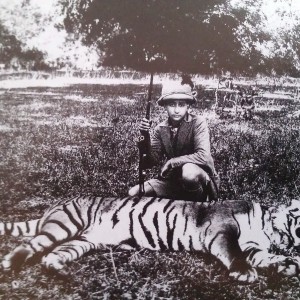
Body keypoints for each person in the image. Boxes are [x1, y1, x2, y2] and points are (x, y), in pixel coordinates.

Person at [128, 79, 219, 202]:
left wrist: (172, 162)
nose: (176, 110)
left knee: (188, 171)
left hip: (199, 181)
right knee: (133, 193)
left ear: (188, 105)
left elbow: (203, 156)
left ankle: (202, 202)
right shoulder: (160, 129)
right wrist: (145, 138)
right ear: (165, 105)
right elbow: (152, 161)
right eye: (172, 104)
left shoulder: (198, 123)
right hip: (174, 182)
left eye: (181, 105)